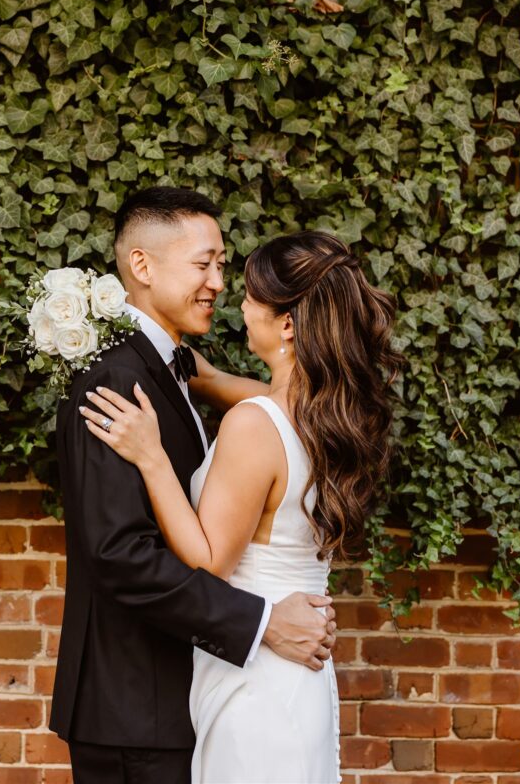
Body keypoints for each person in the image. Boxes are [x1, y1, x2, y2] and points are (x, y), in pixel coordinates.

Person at [81, 228, 401, 783]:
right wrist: (196, 375)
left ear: (286, 324)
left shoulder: (254, 426)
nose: (237, 299)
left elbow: (209, 562)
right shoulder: (330, 416)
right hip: (298, 676)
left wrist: (152, 457)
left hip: (256, 678)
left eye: (253, 294)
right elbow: (252, 391)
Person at [49, 187, 338, 784]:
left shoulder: (176, 371)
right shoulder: (111, 380)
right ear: (143, 267)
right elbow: (119, 552)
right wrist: (260, 623)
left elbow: (294, 409)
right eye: (203, 263)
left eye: (223, 265)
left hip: (180, 704)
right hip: (134, 708)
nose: (219, 283)